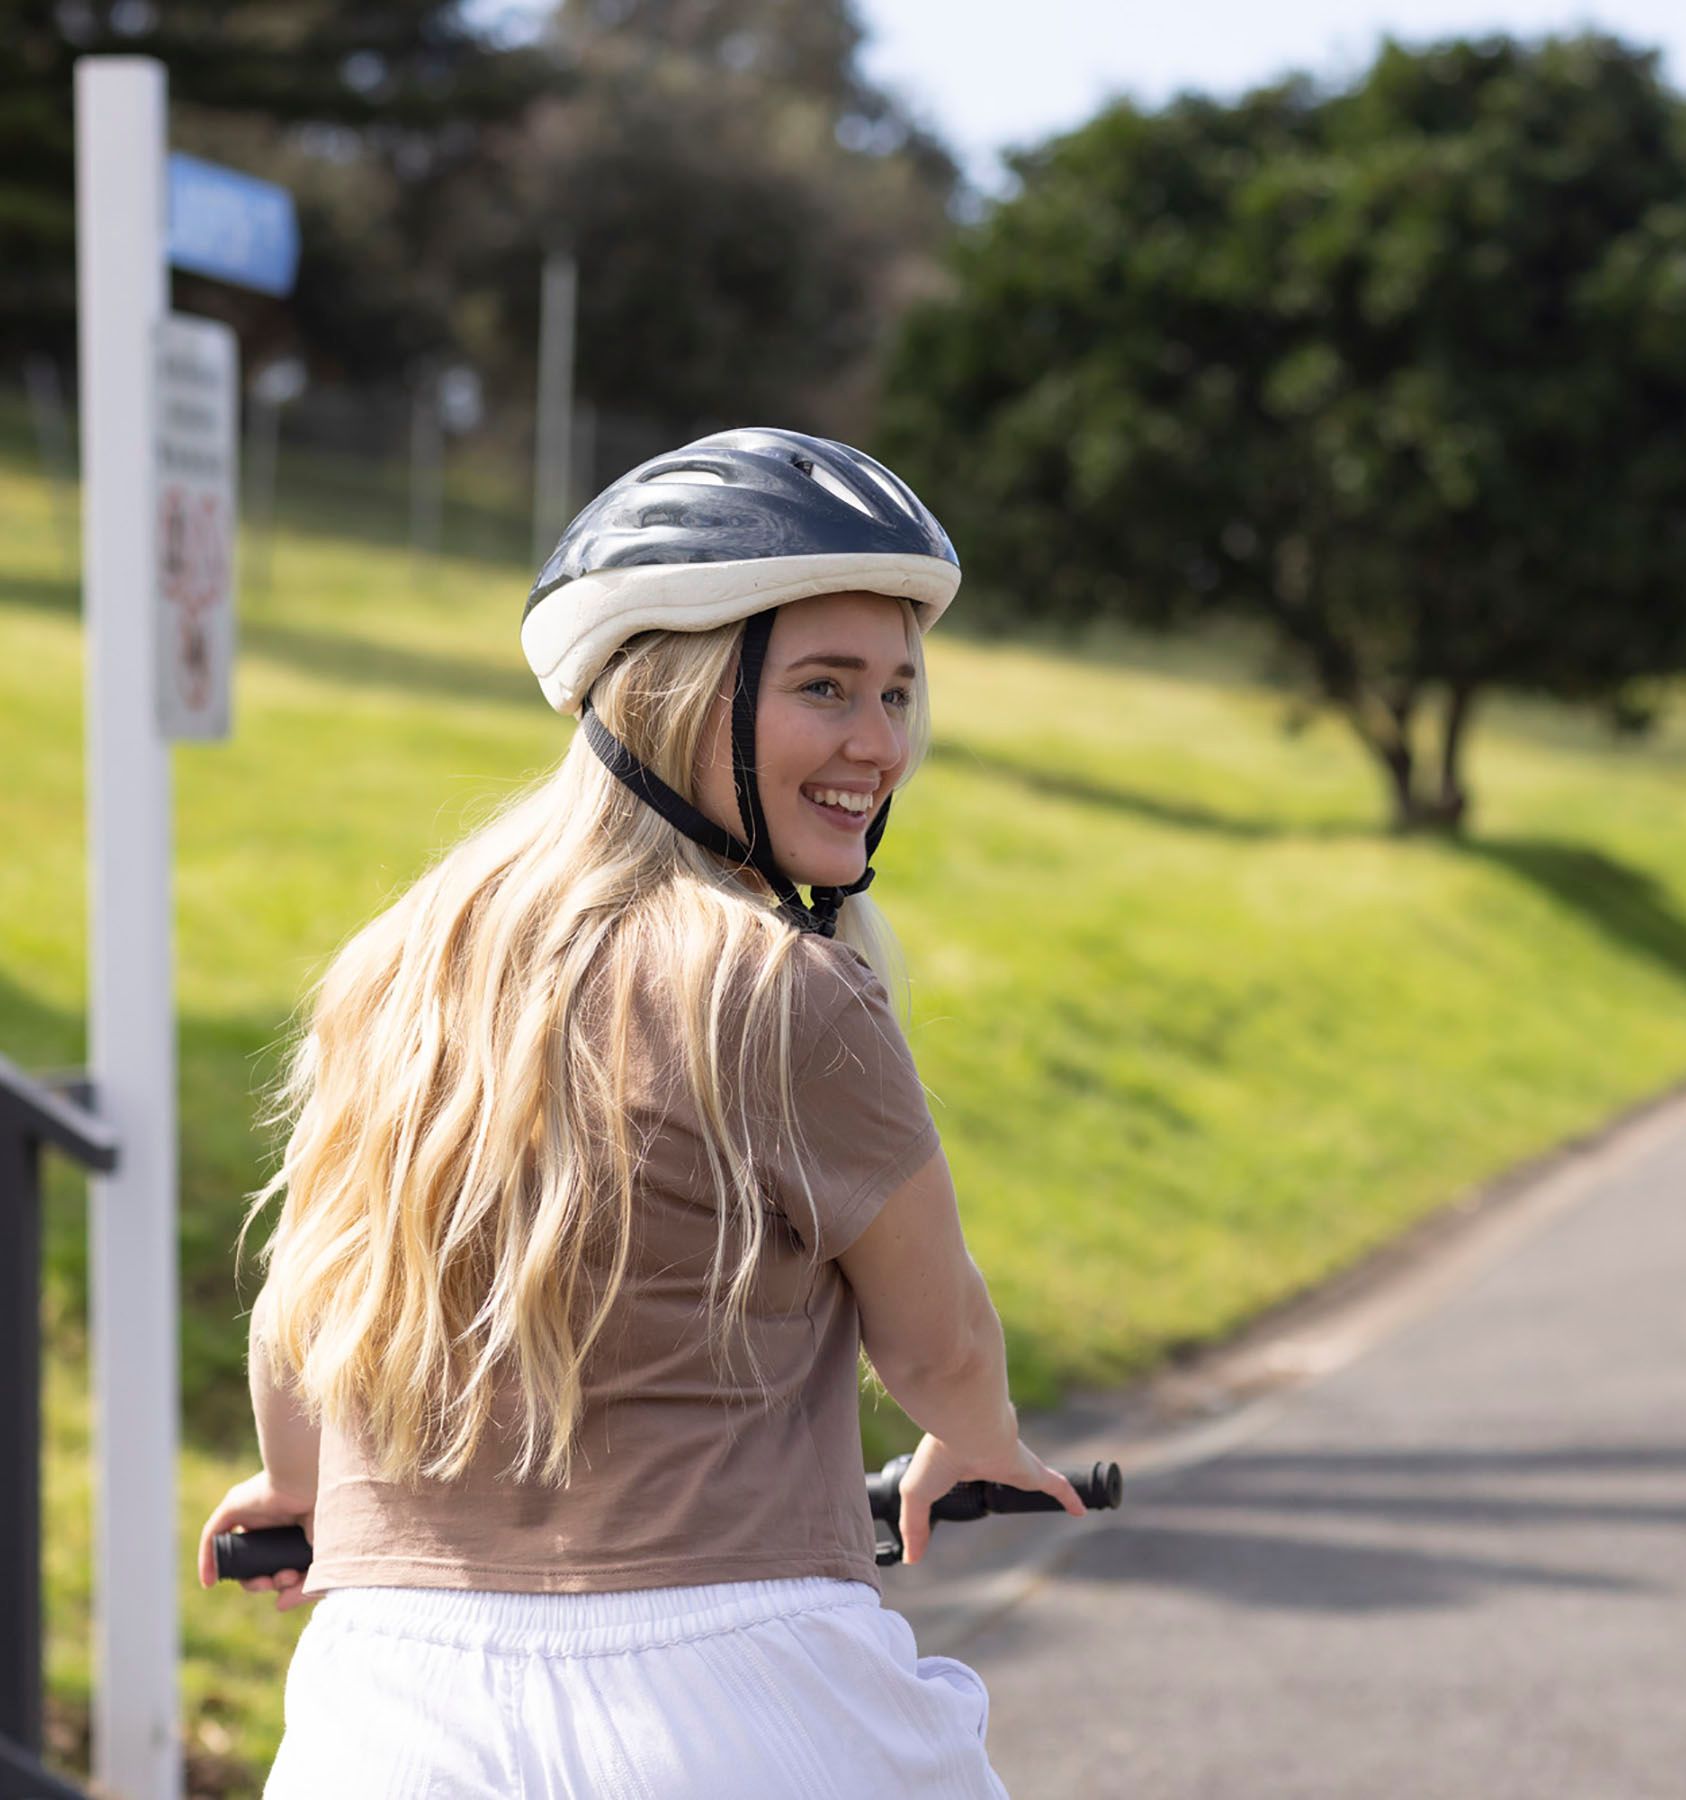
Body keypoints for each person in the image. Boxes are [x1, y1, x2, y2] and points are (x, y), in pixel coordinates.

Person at [195, 427, 1081, 1797]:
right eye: (826, 689)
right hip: (726, 1694)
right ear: (676, 698)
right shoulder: (779, 988)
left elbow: (306, 1309)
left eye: (898, 693)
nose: (877, 744)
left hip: (389, 1701)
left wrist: (299, 1491)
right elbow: (941, 1335)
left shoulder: (402, 963)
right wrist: (979, 1444)